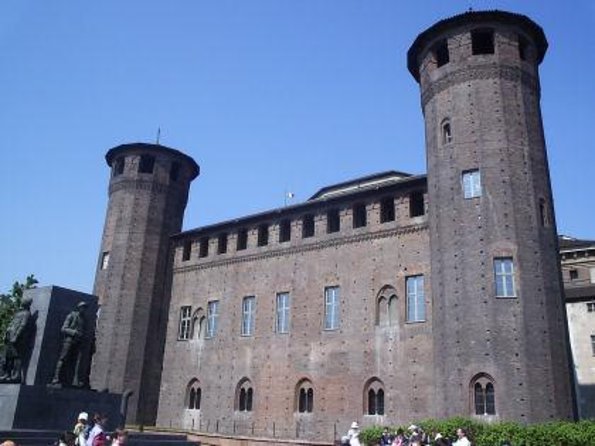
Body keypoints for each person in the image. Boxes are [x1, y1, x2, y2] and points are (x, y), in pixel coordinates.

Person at [51, 302, 87, 386]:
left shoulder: (83, 319)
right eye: (83, 307)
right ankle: (56, 379)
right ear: (79, 308)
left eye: (85, 308)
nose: (84, 309)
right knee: (63, 358)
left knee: (76, 361)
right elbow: (63, 328)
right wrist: (74, 332)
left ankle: (73, 381)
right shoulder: (71, 315)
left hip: (78, 341)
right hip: (69, 340)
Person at [0, 298, 33, 383]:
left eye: (23, 303)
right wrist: (5, 334)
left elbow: (23, 325)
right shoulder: (18, 313)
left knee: (16, 357)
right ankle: (7, 374)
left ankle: (17, 375)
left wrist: (16, 336)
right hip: (9, 337)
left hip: (17, 338)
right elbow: (11, 324)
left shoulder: (27, 314)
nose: (21, 304)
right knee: (8, 357)